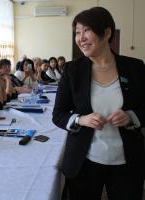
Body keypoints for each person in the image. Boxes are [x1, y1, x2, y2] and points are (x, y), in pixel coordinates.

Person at [52, 7, 145, 200]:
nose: (81, 38)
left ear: (107, 32)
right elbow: (58, 114)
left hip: (126, 163)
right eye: (77, 32)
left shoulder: (135, 67)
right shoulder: (72, 70)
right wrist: (80, 119)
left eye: (87, 30)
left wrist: (131, 116)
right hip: (84, 161)